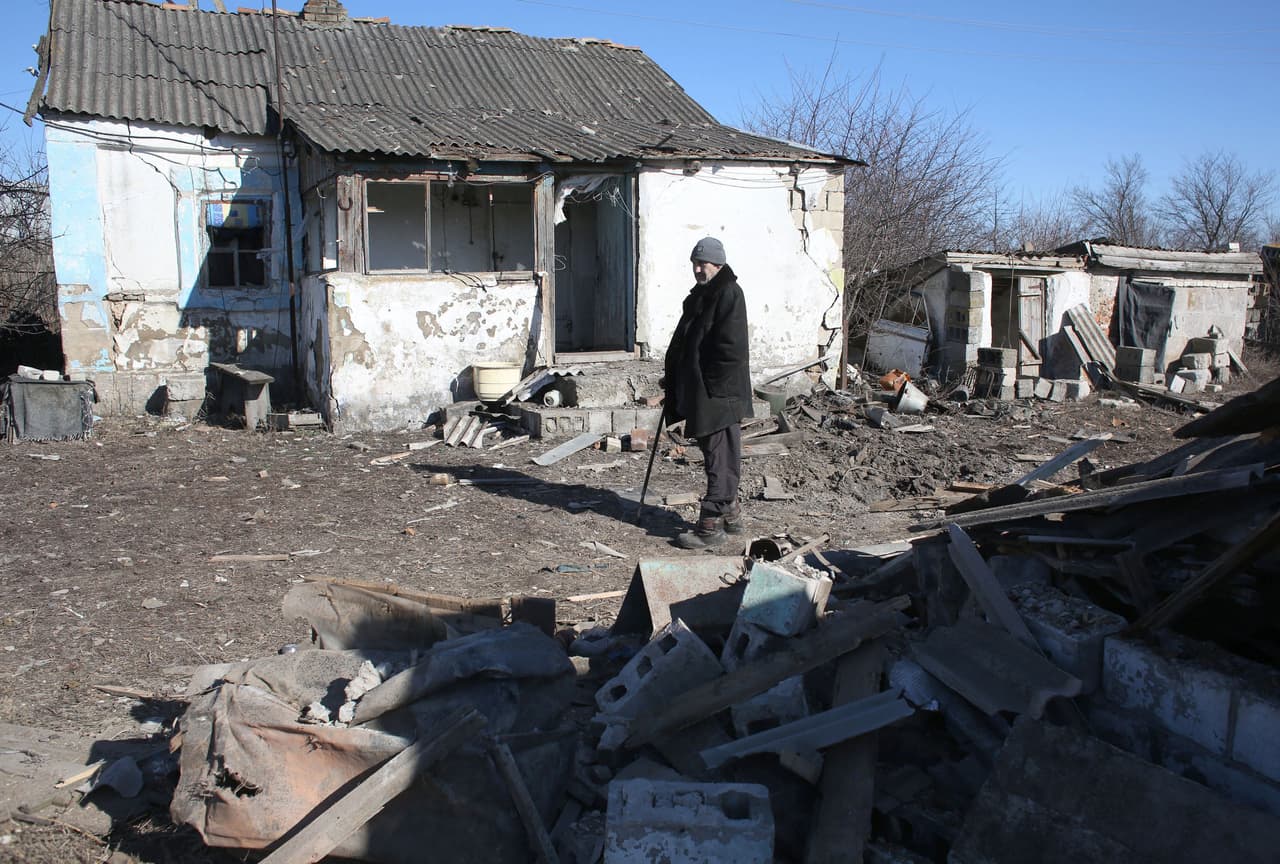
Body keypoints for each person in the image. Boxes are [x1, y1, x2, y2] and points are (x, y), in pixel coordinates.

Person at [663, 236, 752, 549]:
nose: (698, 269)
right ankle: (731, 515)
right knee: (721, 454)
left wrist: (712, 386)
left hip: (719, 393)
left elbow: (732, 348)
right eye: (695, 264)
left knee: (720, 457)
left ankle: (711, 525)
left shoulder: (728, 293)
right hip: (708, 391)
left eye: (704, 263)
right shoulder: (704, 294)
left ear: (719, 263)